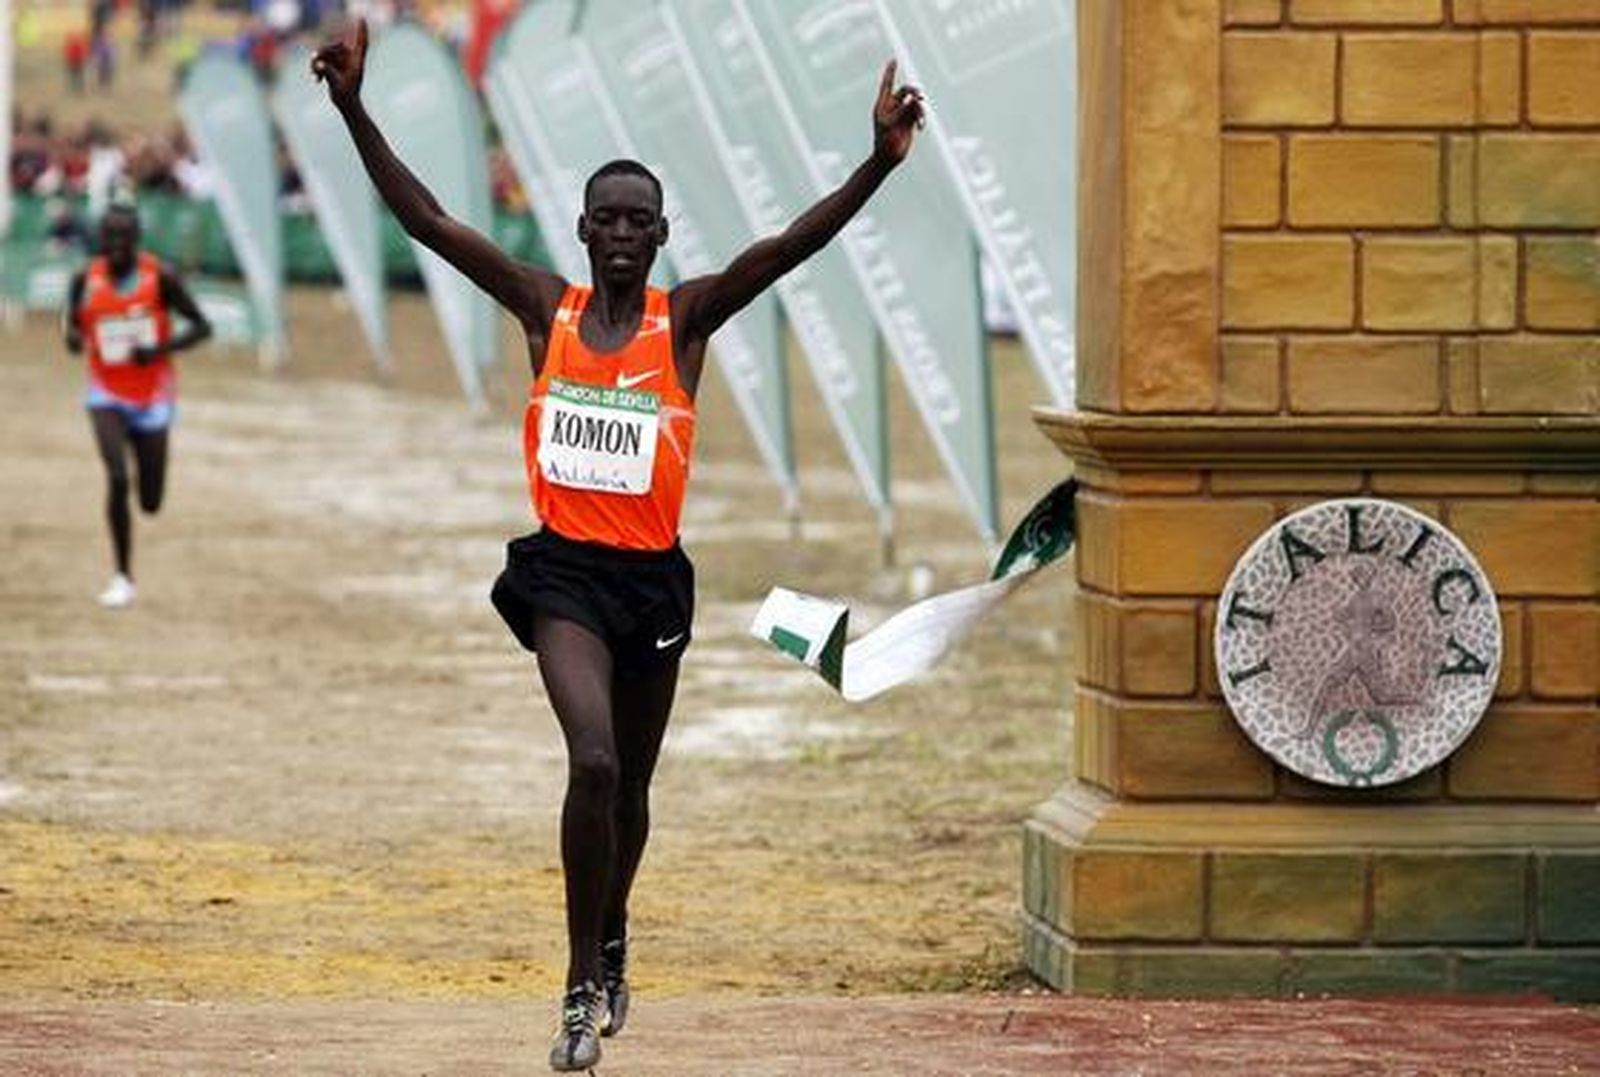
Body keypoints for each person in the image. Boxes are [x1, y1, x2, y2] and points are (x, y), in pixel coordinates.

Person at [312, 19, 923, 1072]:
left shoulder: (683, 325)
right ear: (584, 230)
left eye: (642, 221)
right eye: (608, 221)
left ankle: (615, 929)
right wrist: (353, 108)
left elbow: (790, 246)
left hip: (652, 585)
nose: (625, 236)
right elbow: (428, 220)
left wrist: (875, 161)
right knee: (589, 761)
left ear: (661, 233)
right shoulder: (543, 308)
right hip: (564, 579)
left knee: (632, 788)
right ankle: (577, 982)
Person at [64, 204, 213, 608]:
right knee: (116, 477)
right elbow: (73, 329)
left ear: (136, 239)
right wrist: (76, 339)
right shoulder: (84, 278)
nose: (114, 245)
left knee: (149, 501)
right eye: (108, 236)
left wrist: (160, 349)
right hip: (106, 393)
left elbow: (202, 326)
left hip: (152, 398)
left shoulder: (160, 277)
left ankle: (142, 484)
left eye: (123, 237)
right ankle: (122, 576)